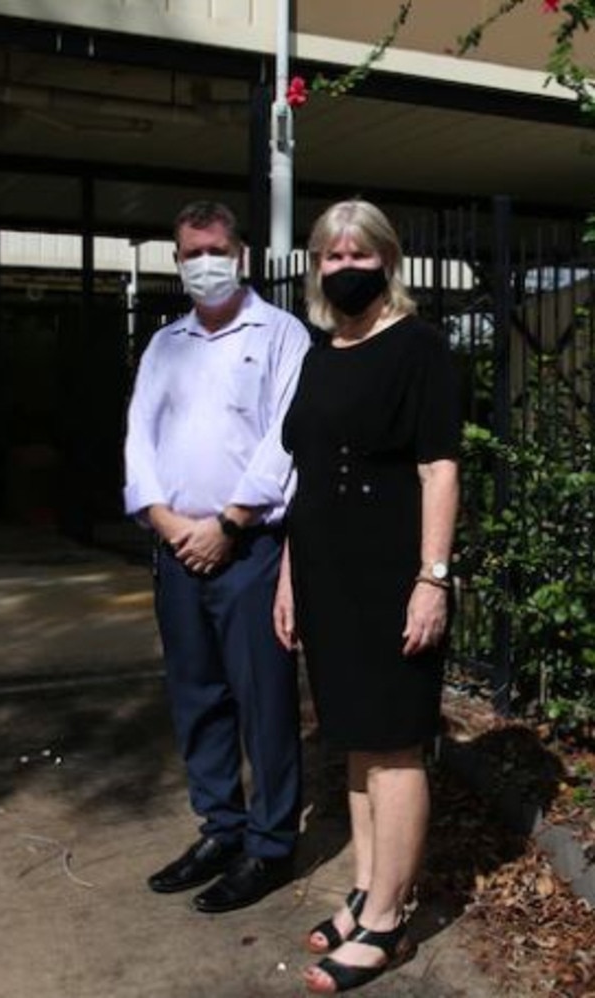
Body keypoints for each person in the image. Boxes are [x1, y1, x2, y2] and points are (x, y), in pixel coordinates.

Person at [273, 199, 461, 993]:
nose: (344, 269)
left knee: (392, 743)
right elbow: (306, 475)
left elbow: (438, 468)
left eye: (359, 256)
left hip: (391, 572)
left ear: (388, 261)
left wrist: (432, 579)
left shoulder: (421, 348)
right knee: (353, 740)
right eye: (330, 257)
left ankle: (388, 918)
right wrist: (289, 575)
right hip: (324, 572)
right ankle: (365, 887)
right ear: (316, 268)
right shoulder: (319, 355)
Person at [124, 200, 311, 913]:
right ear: (177, 262)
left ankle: (270, 844)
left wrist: (228, 523)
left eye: (215, 250)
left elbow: (286, 439)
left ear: (242, 256)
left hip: (250, 547)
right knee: (196, 696)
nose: (203, 263)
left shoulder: (281, 335)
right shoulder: (165, 343)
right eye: (190, 253)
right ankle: (221, 828)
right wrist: (171, 524)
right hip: (177, 550)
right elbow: (139, 438)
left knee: (262, 700)